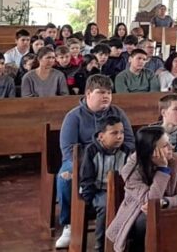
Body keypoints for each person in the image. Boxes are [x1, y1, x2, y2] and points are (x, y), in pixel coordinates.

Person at [55, 75, 136, 249]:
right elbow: (69, 149)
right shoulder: (74, 116)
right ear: (89, 93)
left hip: (116, 155)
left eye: (109, 92)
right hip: (83, 159)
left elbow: (129, 141)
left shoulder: (118, 113)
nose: (106, 96)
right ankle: (69, 224)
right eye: (101, 92)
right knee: (65, 178)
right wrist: (91, 162)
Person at [105, 126, 177, 251]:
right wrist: (163, 169)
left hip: (170, 210)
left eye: (170, 143)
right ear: (152, 151)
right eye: (166, 145)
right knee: (148, 221)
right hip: (136, 214)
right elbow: (150, 202)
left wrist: (166, 202)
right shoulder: (130, 169)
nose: (172, 147)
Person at [79, 116, 129, 252]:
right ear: (101, 136)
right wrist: (88, 201)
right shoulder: (91, 151)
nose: (119, 137)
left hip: (122, 191)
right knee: (106, 206)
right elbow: (86, 179)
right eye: (114, 133)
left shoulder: (127, 151)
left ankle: (124, 243)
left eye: (122, 133)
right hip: (98, 191)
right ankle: (100, 246)